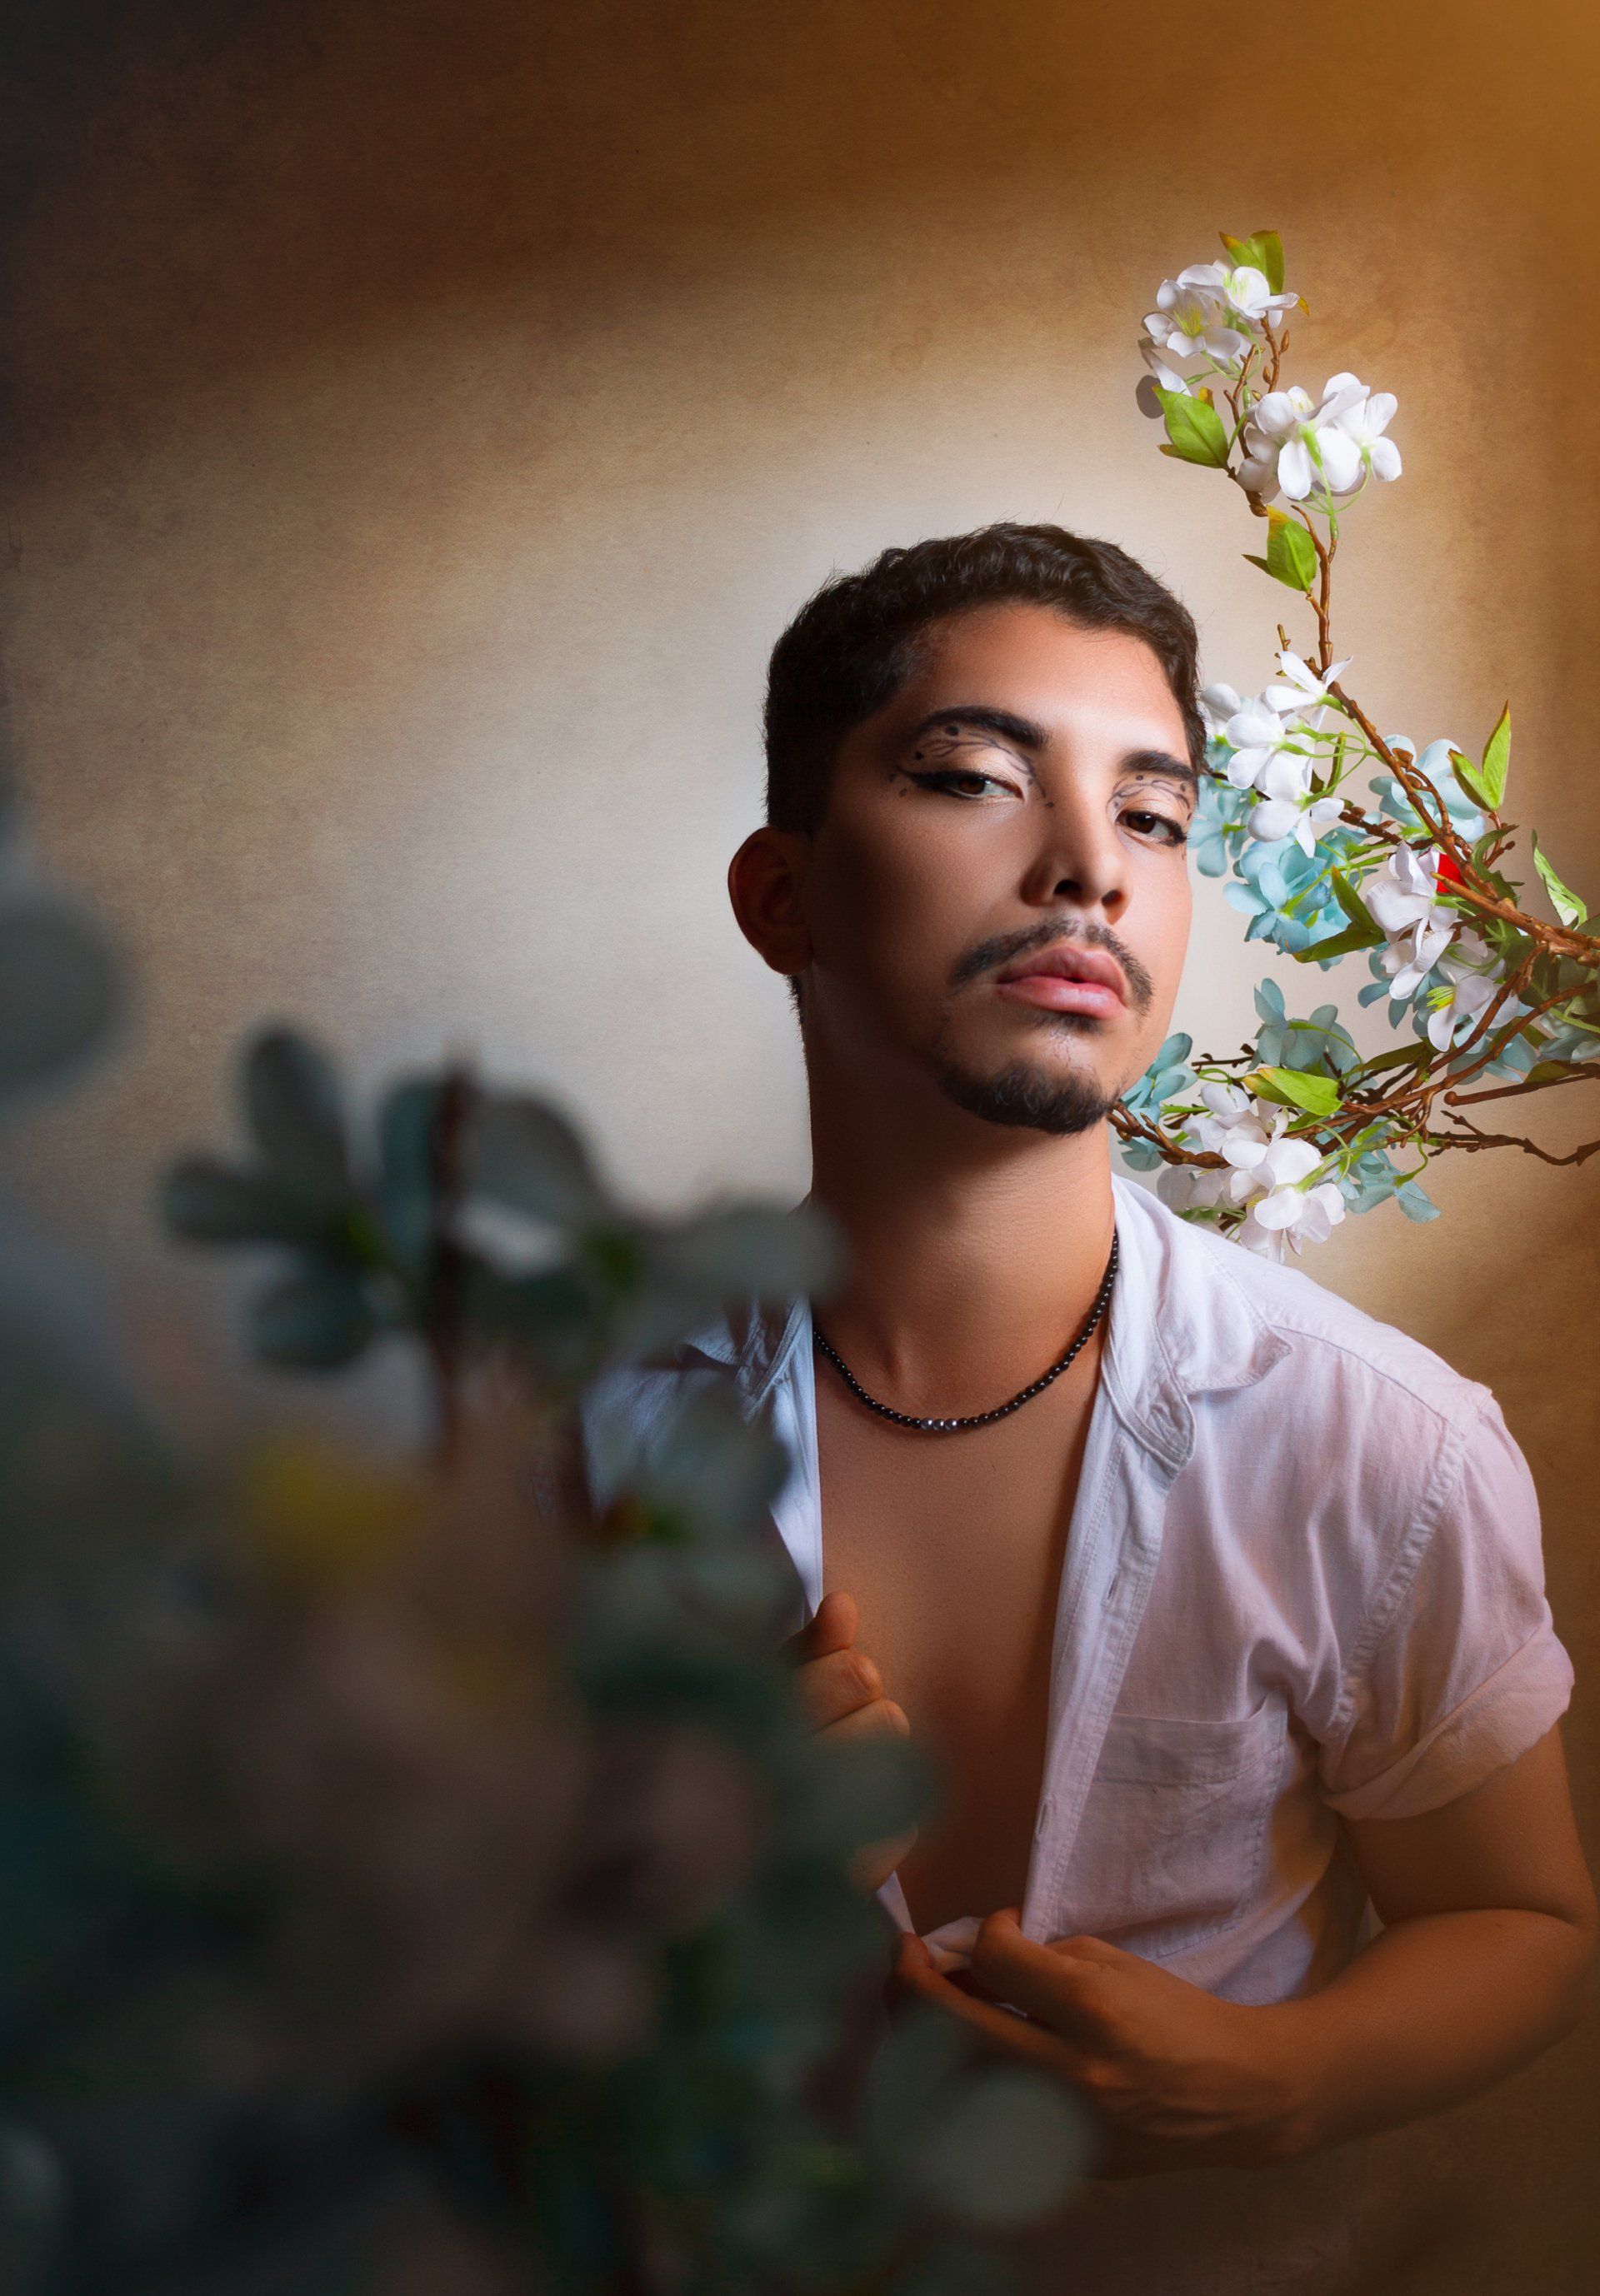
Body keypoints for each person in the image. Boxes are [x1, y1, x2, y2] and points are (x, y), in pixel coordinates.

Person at [579, 522, 1595, 2292]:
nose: (1086, 871)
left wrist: (1288, 2079)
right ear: (782, 894)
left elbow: (1521, 1919)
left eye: (1152, 817)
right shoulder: (576, 1435)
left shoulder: (1380, 1444)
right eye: (972, 775)